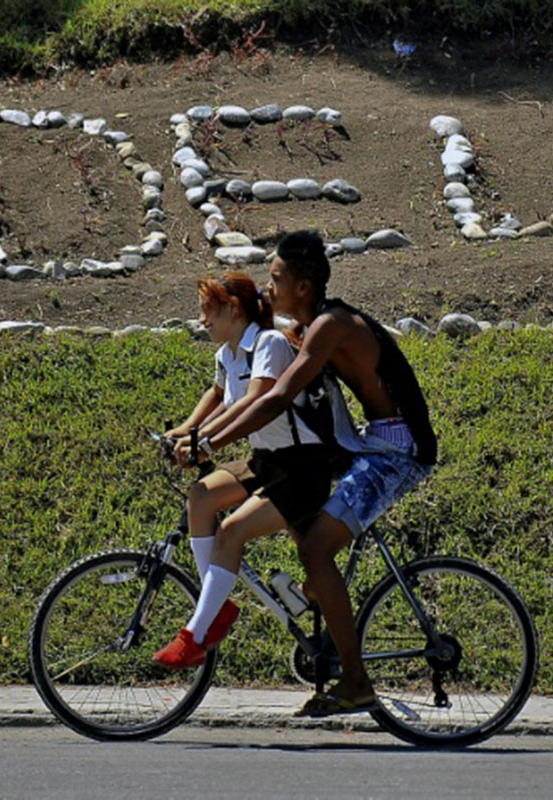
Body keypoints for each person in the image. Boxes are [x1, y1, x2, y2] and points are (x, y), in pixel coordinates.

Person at [183, 230, 437, 718]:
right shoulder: (309, 323)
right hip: (369, 440)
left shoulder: (331, 325)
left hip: (397, 450)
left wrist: (212, 442)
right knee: (309, 531)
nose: (267, 287)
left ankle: (356, 681)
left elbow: (275, 396)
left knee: (315, 546)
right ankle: (312, 594)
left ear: (302, 285)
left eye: (276, 278)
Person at [152, 271, 335, 670]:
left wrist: (203, 440)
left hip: (302, 467)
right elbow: (219, 395)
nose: (202, 320)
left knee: (232, 531)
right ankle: (214, 608)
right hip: (265, 462)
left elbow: (252, 402)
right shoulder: (228, 353)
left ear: (232, 309)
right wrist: (184, 430)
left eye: (207, 311)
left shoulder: (268, 344)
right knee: (200, 497)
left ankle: (195, 634)